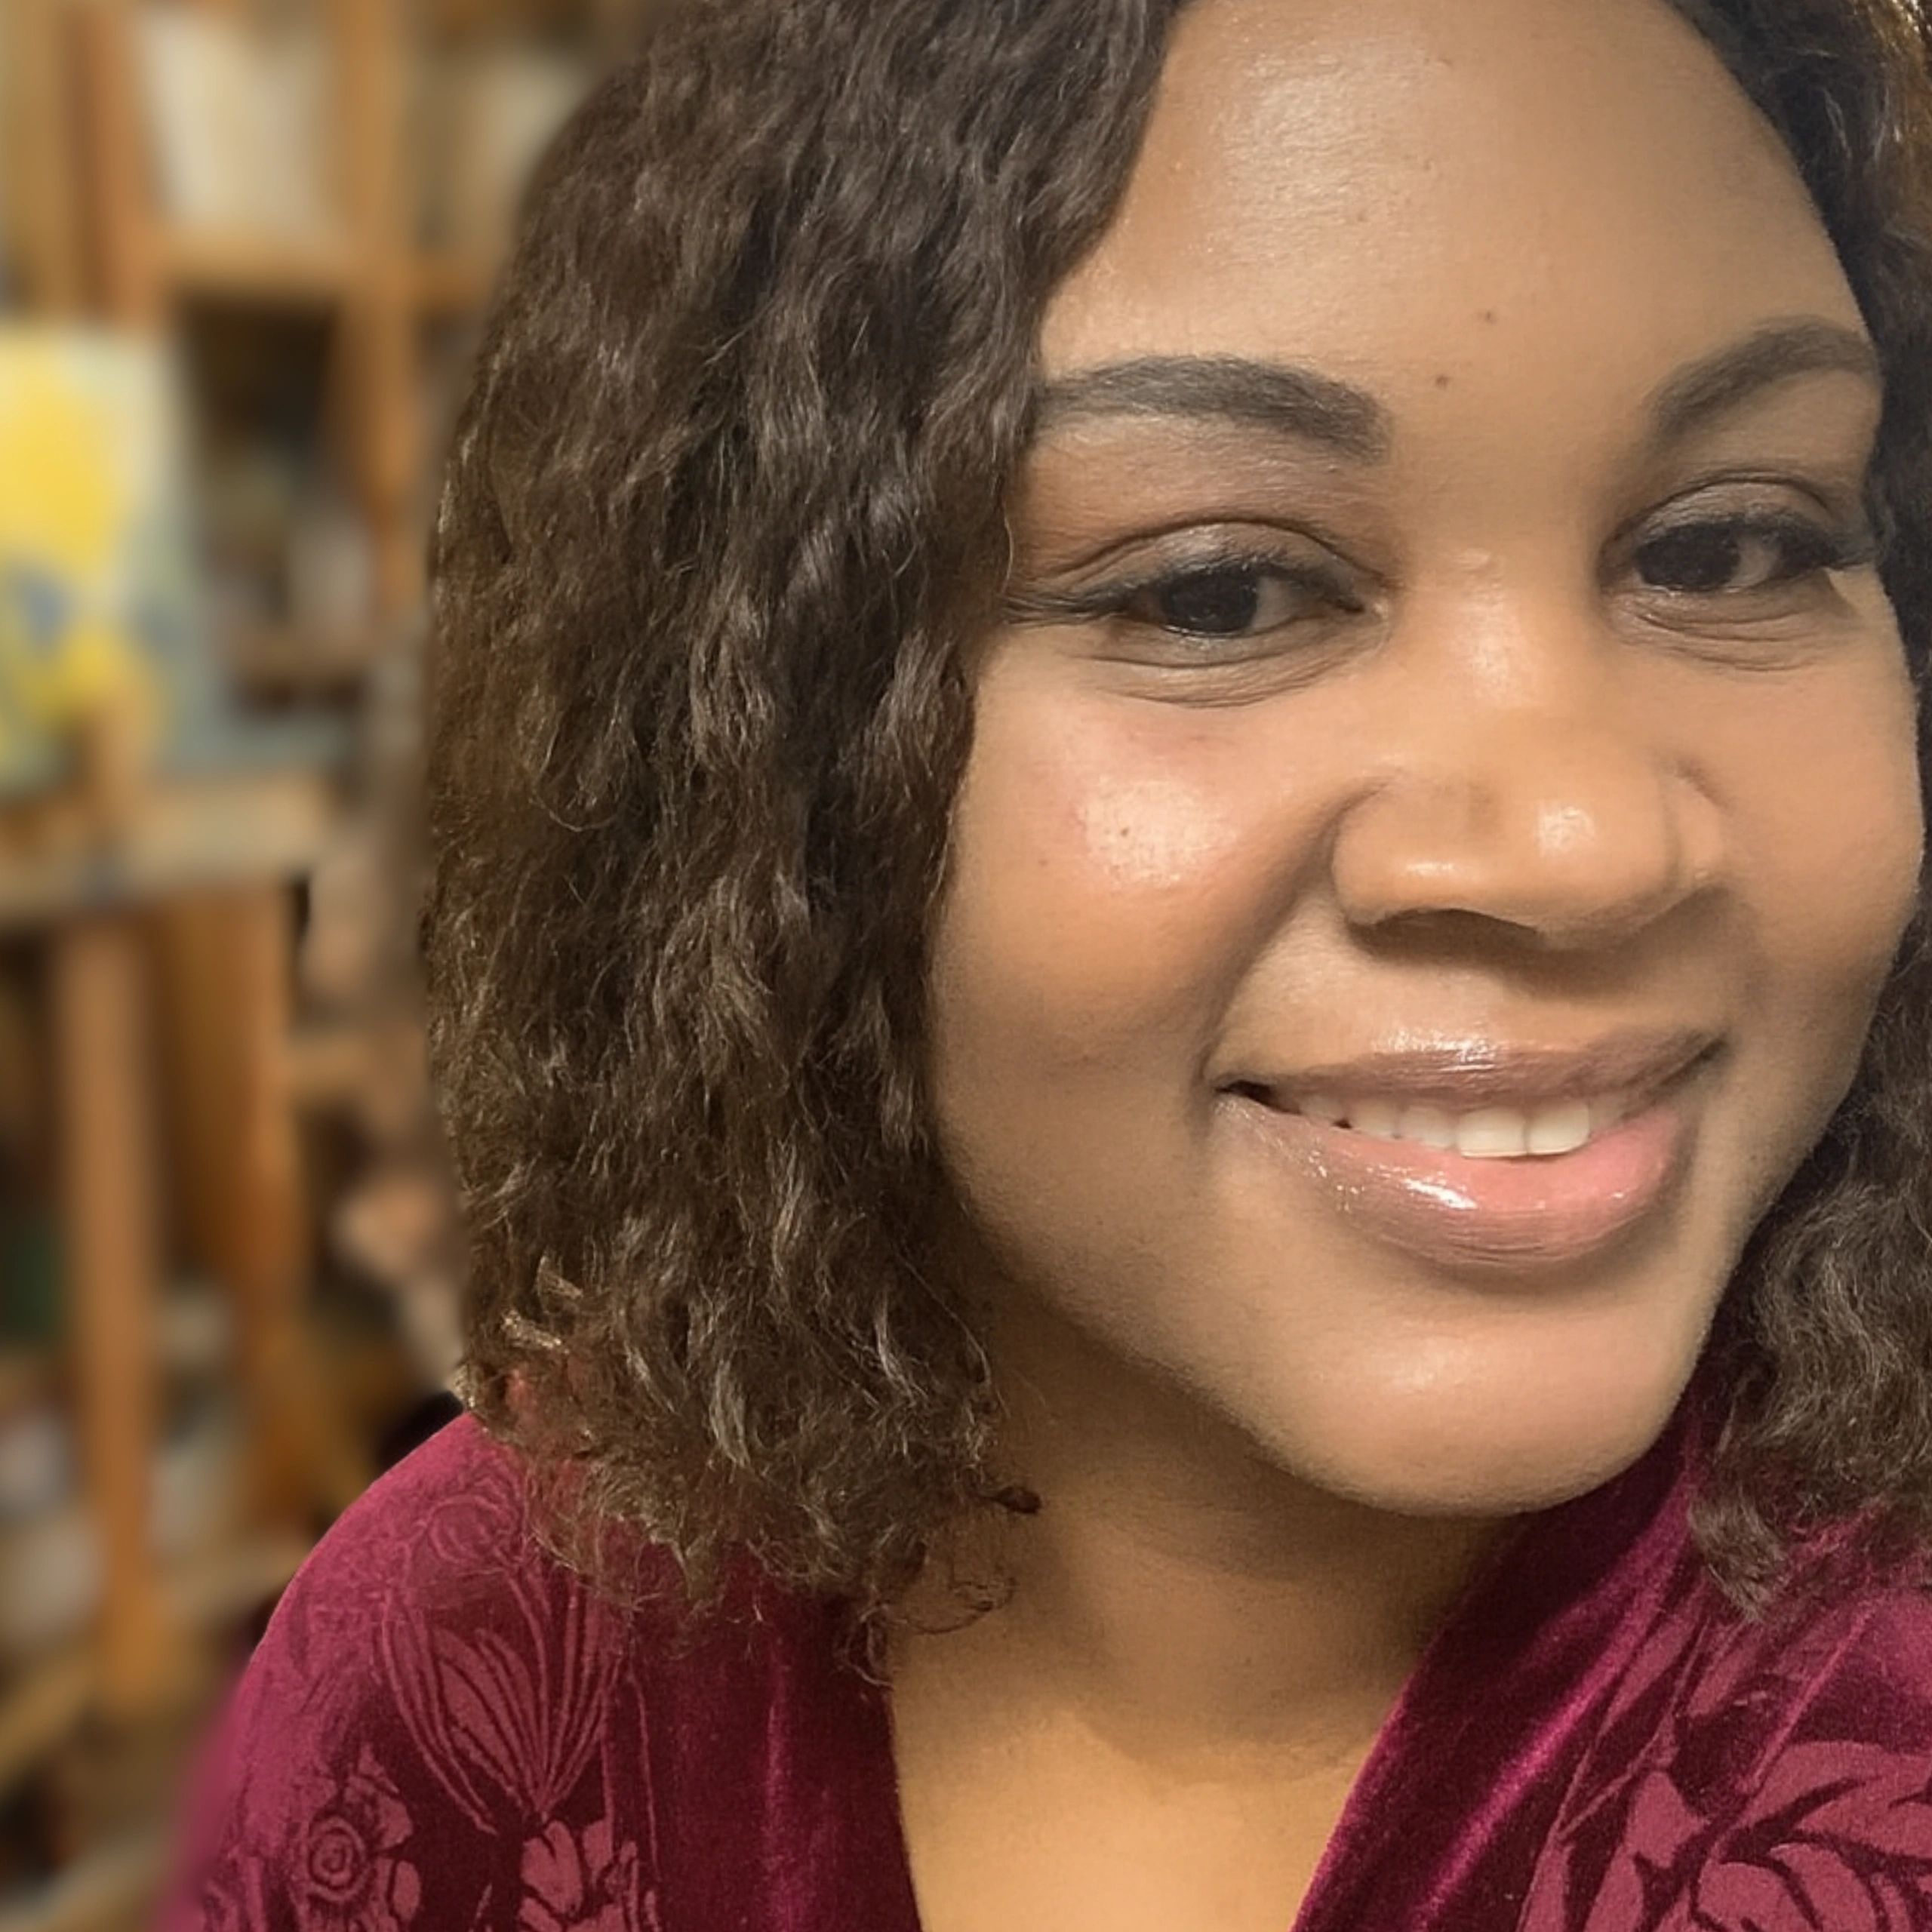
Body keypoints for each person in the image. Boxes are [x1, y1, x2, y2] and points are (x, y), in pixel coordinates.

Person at [162, 0, 1932, 1925]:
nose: (1582, 845)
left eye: (1733, 548)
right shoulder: (460, 1667)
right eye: (1217, 588)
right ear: (747, 740)